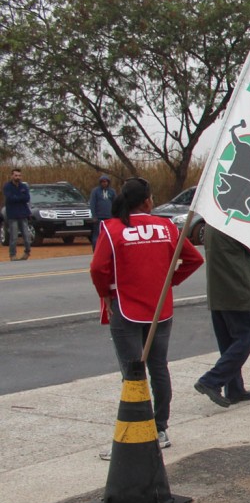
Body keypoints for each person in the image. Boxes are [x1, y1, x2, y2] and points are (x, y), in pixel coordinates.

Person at [90, 177, 204, 455]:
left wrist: (106, 293)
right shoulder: (166, 227)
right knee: (158, 368)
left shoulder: (112, 227)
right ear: (147, 201)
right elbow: (194, 259)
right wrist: (171, 280)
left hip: (125, 309)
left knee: (132, 375)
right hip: (160, 310)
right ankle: (160, 428)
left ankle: (136, 432)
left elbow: (97, 268)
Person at [194, 227, 250, 408]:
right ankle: (212, 380)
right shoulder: (235, 224)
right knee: (245, 338)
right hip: (237, 288)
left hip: (217, 290)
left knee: (228, 342)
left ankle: (235, 388)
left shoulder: (211, 223)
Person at [3, 168, 32, 261]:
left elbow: (27, 198)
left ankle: (27, 252)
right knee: (14, 237)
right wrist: (20, 197)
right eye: (16, 175)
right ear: (12, 176)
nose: (17, 177)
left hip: (23, 214)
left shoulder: (24, 186)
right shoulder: (7, 186)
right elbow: (10, 198)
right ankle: (12, 255)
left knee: (27, 236)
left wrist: (18, 197)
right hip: (12, 215)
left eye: (19, 175)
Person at [88, 175, 115, 250]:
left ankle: (108, 250)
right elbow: (92, 204)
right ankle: (96, 250)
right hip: (99, 218)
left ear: (108, 182)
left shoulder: (112, 191)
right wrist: (94, 216)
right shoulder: (95, 191)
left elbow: (115, 203)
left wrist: (115, 216)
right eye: (102, 182)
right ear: (100, 183)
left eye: (105, 181)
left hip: (109, 217)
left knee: (109, 235)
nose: (104, 183)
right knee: (97, 236)